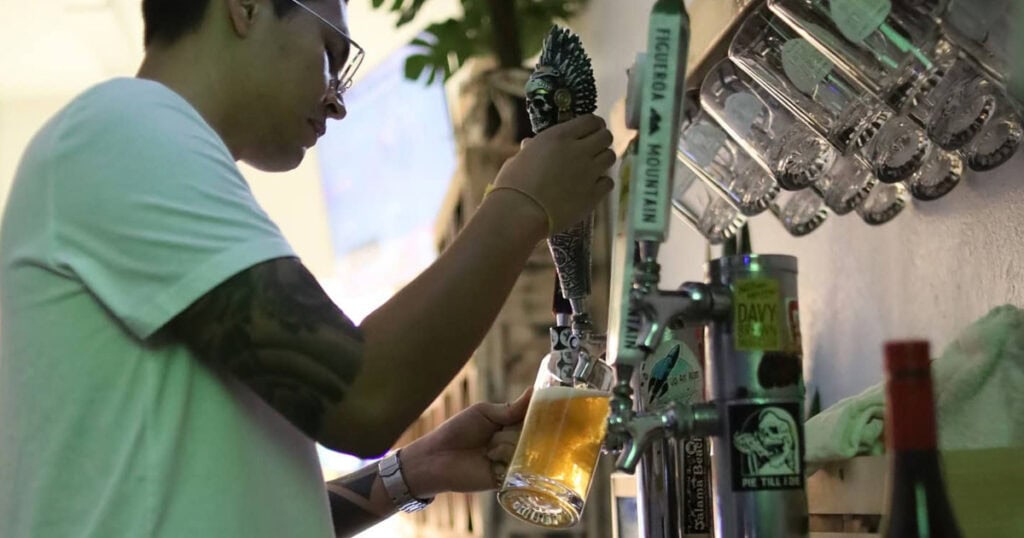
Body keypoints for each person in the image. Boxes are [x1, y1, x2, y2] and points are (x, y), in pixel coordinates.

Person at [0, 0, 615, 536]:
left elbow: (239, 505)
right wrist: (522, 204)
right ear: (244, 7)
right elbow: (362, 397)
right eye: (331, 52)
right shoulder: (124, 129)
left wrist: (411, 472)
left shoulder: (145, 154)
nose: (338, 101)